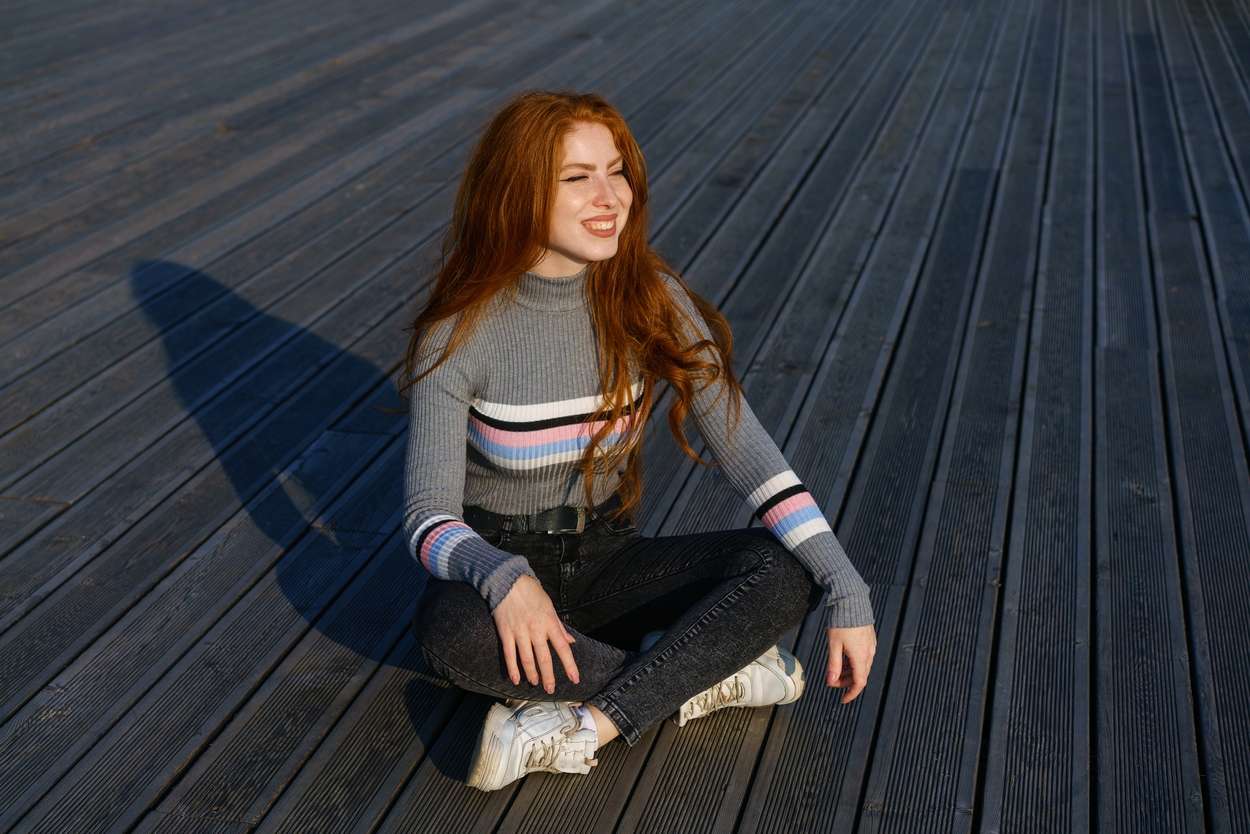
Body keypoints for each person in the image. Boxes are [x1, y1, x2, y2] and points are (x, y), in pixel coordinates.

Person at [398, 90, 876, 792]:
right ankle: (704, 671)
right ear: (517, 191)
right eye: (576, 176)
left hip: (608, 558)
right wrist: (500, 576)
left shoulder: (647, 295)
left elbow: (751, 455)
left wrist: (847, 586)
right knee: (449, 633)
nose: (608, 196)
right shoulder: (459, 331)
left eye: (617, 170)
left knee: (785, 570)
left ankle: (582, 728)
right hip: (503, 568)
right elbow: (425, 517)